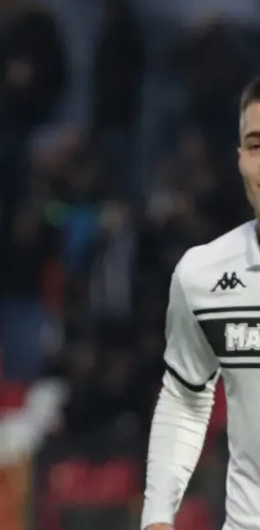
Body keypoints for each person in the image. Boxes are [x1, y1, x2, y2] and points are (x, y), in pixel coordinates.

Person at [141, 76, 260, 530]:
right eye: (256, 146)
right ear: (240, 158)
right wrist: (157, 517)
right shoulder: (203, 274)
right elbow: (186, 398)